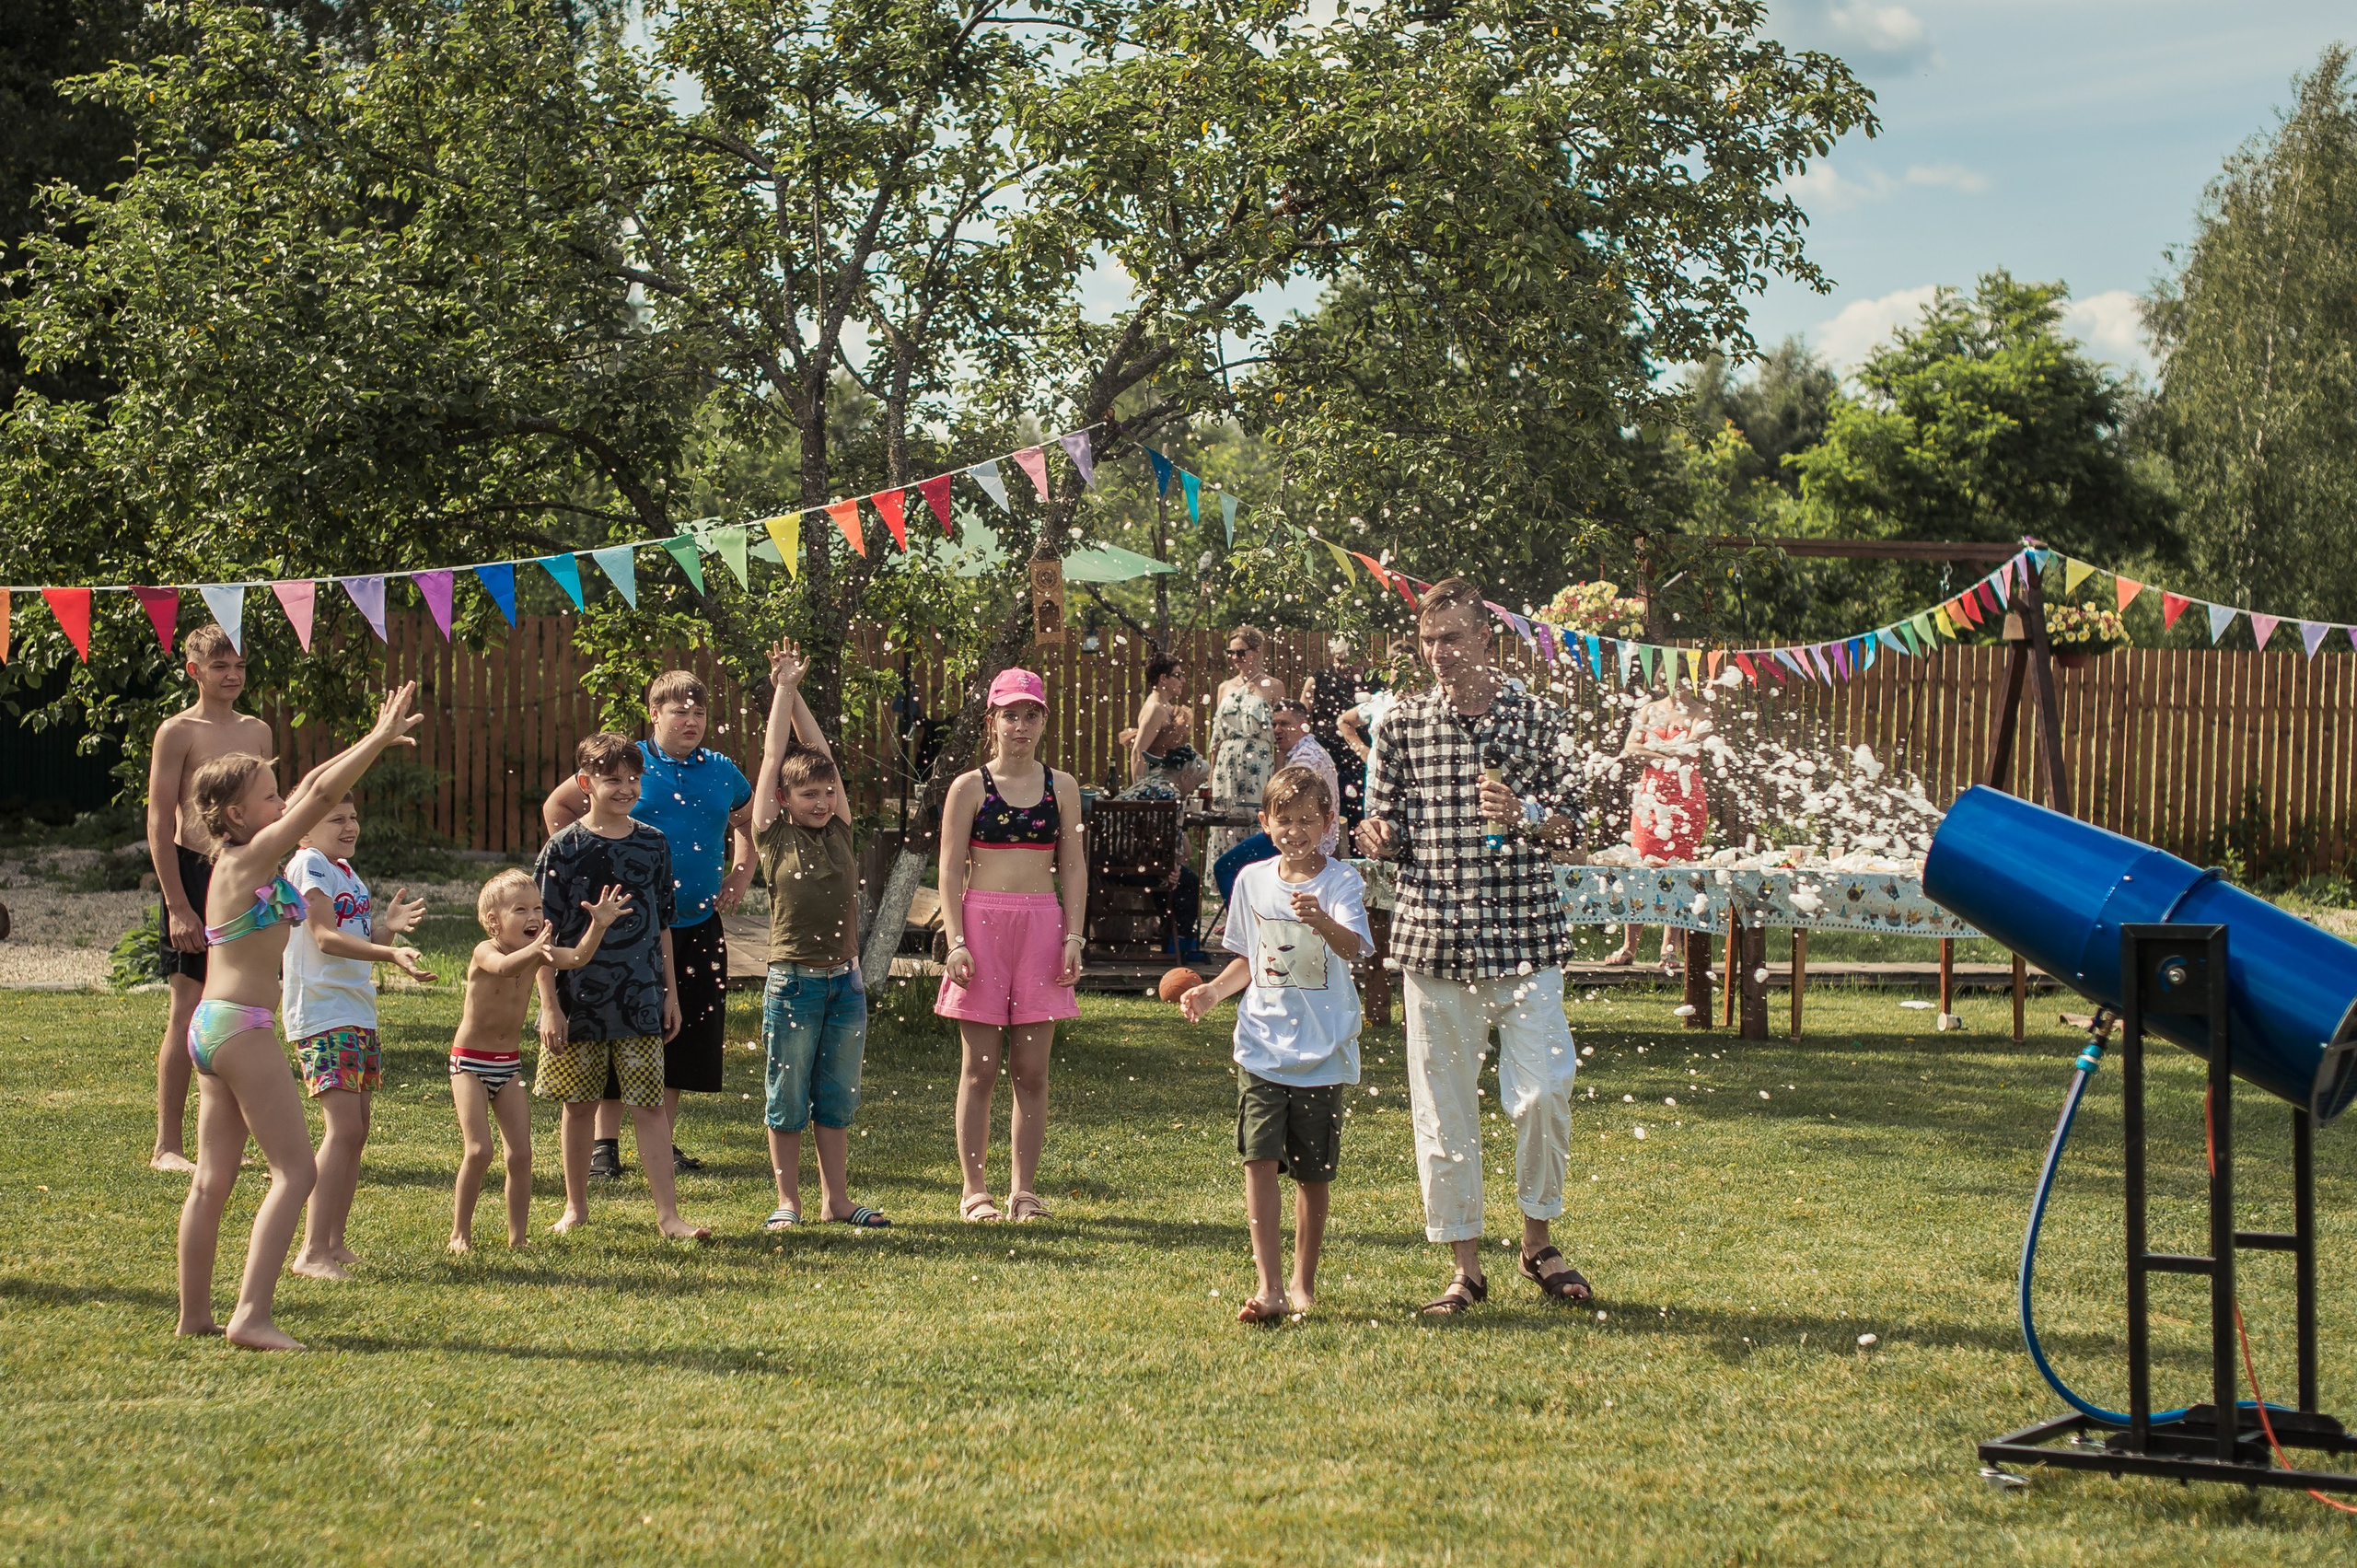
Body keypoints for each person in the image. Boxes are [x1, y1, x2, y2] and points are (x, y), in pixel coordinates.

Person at [1356, 577, 1596, 1318]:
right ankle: (1465, 1266)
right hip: (1435, 939)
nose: (1439, 652)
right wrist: (1378, 834)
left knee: (1545, 1091)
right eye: (1428, 641)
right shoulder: (1402, 724)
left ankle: (1536, 1241)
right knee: (1444, 1110)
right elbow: (1383, 821)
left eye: (1452, 637)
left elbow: (1577, 830)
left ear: (1486, 637)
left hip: (1526, 939)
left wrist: (1527, 813)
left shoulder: (1538, 718)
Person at [174, 682, 421, 1350]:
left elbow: (312, 786)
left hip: (212, 1024)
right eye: (268, 797)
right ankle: (250, 1315)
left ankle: (194, 1315)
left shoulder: (239, 860)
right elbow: (317, 796)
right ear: (235, 813)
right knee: (295, 1171)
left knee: (213, 1179)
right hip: (241, 1029)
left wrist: (368, 737)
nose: (283, 803)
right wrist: (378, 739)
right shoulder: (249, 856)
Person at [542, 670, 754, 1182]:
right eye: (680, 711)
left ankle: (661, 1139)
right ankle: (605, 1145)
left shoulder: (722, 770)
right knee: (617, 1025)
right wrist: (588, 868)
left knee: (674, 1029)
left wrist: (741, 873)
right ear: (654, 714)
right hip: (624, 929)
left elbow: (748, 822)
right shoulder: (628, 763)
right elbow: (559, 806)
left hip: (695, 922)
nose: (691, 721)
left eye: (699, 712)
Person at [1181, 766, 1370, 1323]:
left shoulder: (1341, 882)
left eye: (1308, 820)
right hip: (1262, 1046)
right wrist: (1213, 992)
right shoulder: (1252, 881)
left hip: (1322, 1052)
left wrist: (1322, 920)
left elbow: (1354, 948)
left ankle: (1301, 1284)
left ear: (1328, 823)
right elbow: (1249, 958)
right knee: (1259, 1159)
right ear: (1265, 822)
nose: (1295, 830)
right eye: (1284, 820)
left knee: (1313, 1174)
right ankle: (1268, 1288)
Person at [533, 733, 710, 1240]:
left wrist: (670, 994)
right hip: (578, 1001)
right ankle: (575, 1208)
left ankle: (669, 1217)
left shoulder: (653, 844)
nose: (626, 788)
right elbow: (540, 937)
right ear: (585, 783)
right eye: (613, 779)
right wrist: (549, 1006)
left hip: (640, 999)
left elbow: (663, 925)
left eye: (634, 779)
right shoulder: (563, 849)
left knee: (650, 1106)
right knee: (577, 1107)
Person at [935, 668, 1087, 1223]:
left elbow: (1073, 865)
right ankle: (974, 1191)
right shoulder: (969, 787)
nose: (1020, 725)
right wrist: (955, 940)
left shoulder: (1062, 787)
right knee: (979, 1069)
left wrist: (1074, 935)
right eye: (1010, 715)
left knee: (1032, 1071)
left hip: (1042, 928)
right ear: (992, 722)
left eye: (1031, 715)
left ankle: (1024, 1191)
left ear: (1043, 721)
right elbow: (949, 869)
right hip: (981, 927)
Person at [751, 640, 889, 1232]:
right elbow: (773, 756)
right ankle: (789, 1201)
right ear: (783, 800)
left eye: (828, 792)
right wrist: (783, 690)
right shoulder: (772, 836)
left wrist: (798, 691)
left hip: (846, 986)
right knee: (787, 1098)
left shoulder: (840, 830)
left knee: (836, 1098)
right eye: (809, 794)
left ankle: (838, 1201)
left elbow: (822, 753)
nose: (823, 801)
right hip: (794, 986)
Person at [281, 795, 435, 1281]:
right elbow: (324, 937)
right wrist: (389, 954)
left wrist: (386, 930)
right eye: (336, 819)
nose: (350, 826)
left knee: (357, 1129)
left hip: (355, 1011)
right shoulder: (309, 863)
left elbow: (355, 941)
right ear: (305, 829)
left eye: (353, 817)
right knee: (343, 1128)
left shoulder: (346, 872)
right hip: (324, 1012)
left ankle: (333, 1242)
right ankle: (310, 1252)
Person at [145, 624, 276, 1174]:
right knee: (188, 1007)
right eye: (220, 666)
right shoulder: (177, 732)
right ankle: (167, 1145)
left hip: (246, 874)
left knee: (244, 1006)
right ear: (194, 671)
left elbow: (269, 809)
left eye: (239, 666)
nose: (232, 676)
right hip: (194, 875)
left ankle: (228, 1141)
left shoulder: (258, 730)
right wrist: (178, 905)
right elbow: (159, 821)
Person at [448, 869, 628, 1251]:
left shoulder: (536, 953)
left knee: (521, 1154)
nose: (533, 916)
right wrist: (536, 951)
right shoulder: (486, 951)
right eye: (521, 910)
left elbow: (577, 957)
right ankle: (460, 1234)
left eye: (537, 908)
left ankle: (518, 1238)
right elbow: (504, 968)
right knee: (479, 1151)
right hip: (470, 1064)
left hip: (507, 1066)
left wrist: (597, 926)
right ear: (494, 921)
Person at [1605, 683, 1714, 970]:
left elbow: (1690, 750)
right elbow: (1630, 748)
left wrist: (1653, 748)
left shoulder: (1702, 712)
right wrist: (1668, 753)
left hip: (1687, 797)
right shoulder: (1649, 709)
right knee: (1639, 866)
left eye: (1687, 676)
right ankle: (1629, 946)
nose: (1682, 683)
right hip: (1650, 797)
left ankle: (1669, 949)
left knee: (1680, 869)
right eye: (1676, 676)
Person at [1212, 700, 1341, 901]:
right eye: (1274, 724)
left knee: (1225, 867)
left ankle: (1248, 916)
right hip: (1308, 836)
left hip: (1304, 840)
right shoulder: (1307, 751)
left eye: (1285, 723)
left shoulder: (1306, 758)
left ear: (1304, 725)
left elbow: (1288, 809)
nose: (1277, 729)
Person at [1205, 625, 1285, 873]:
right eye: (1231, 652)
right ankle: (1226, 881)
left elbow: (1280, 737)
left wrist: (1278, 778)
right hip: (1226, 765)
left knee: (1257, 821)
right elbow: (1216, 739)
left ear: (1256, 650)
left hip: (1258, 762)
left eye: (1241, 652)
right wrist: (1210, 777)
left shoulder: (1273, 686)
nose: (1235, 658)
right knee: (1224, 822)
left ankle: (1257, 878)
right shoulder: (1224, 687)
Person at [1298, 636, 1376, 827]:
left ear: (1361, 659)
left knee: (1359, 818)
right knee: (1326, 815)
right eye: (1338, 660)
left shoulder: (1372, 683)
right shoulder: (1318, 680)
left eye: (1349, 661)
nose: (1343, 666)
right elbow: (1301, 722)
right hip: (1326, 760)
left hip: (1360, 761)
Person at [1125, 653, 1203, 791]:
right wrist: (1140, 791)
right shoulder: (1155, 709)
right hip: (1155, 783)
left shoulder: (1165, 705)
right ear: (1163, 679)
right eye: (1178, 675)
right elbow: (1138, 752)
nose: (1183, 680)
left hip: (1165, 781)